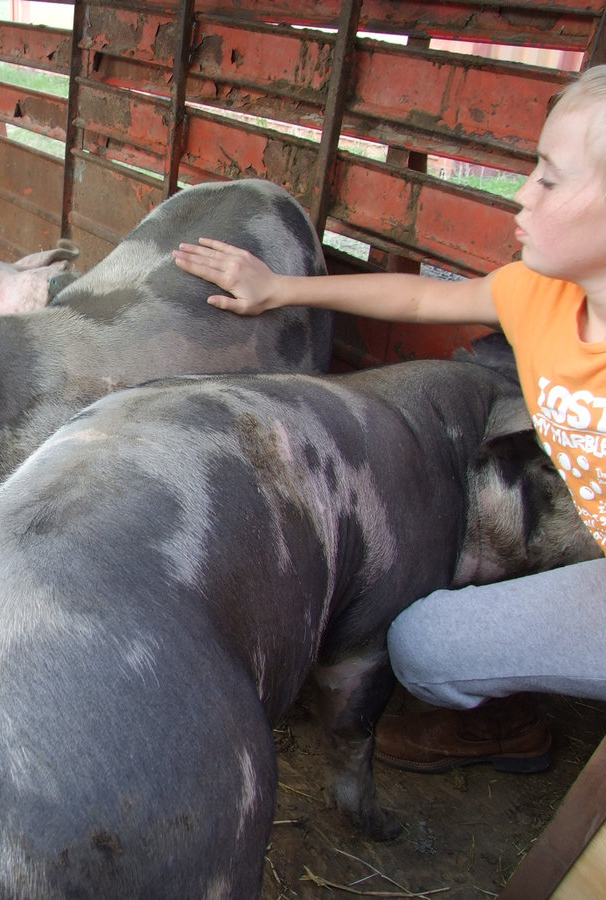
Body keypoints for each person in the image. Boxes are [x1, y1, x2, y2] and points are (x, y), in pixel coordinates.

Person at [172, 64, 606, 774]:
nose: (522, 196)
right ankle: (508, 719)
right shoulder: (541, 296)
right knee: (424, 647)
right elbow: (422, 300)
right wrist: (280, 288)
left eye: (550, 180)